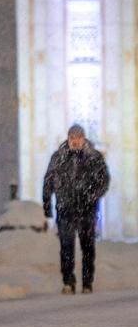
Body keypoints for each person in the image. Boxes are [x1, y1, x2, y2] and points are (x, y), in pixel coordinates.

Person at [42, 124, 110, 294]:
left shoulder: (94, 158)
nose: (75, 141)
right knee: (66, 246)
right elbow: (48, 182)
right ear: (68, 138)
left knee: (87, 247)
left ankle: (87, 283)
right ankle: (68, 281)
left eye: (78, 137)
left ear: (83, 138)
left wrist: (92, 196)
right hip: (65, 209)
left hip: (86, 209)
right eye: (72, 138)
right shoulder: (58, 157)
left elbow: (104, 181)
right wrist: (47, 207)